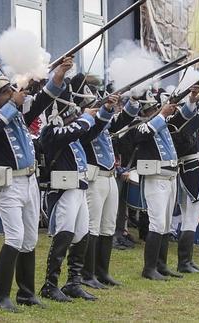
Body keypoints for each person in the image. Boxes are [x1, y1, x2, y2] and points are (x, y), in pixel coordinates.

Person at [0, 55, 72, 312]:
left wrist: (58, 75)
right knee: (14, 238)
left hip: (30, 181)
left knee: (29, 239)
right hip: (9, 185)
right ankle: (1, 296)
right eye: (5, 91)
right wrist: (11, 105)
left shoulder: (15, 112)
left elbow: (42, 101)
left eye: (10, 89)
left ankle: (26, 293)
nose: (12, 93)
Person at [38, 83, 101, 302]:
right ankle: (50, 284)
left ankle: (73, 282)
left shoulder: (73, 129)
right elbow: (78, 128)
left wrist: (106, 112)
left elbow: (91, 129)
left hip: (79, 188)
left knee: (82, 234)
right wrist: (87, 117)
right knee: (63, 235)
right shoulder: (51, 132)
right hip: (63, 190)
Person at [79, 77, 141, 289]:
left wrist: (132, 100)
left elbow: (122, 120)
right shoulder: (83, 123)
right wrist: (105, 109)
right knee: (92, 226)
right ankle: (87, 274)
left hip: (109, 176)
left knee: (107, 226)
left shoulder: (102, 120)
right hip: (94, 177)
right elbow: (92, 132)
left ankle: (102, 272)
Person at [132, 92, 195, 280]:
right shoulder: (140, 126)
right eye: (151, 109)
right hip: (156, 178)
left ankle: (161, 265)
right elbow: (144, 133)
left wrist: (193, 99)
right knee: (157, 222)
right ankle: (149, 268)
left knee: (166, 224)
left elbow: (184, 117)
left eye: (155, 108)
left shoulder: (163, 123)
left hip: (170, 177)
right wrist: (161, 115)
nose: (154, 111)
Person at [170, 82, 199, 273]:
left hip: (186, 168)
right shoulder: (182, 122)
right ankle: (184, 263)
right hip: (194, 168)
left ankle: (186, 261)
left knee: (188, 216)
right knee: (191, 217)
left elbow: (196, 112)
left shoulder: (174, 121)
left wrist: (197, 95)